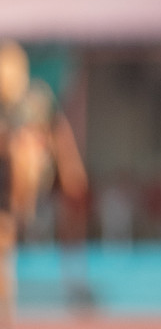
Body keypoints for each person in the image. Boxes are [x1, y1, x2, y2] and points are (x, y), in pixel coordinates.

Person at [0, 42, 86, 328]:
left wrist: (72, 171)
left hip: (32, 174)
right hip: (6, 179)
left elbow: (59, 133)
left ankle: (23, 212)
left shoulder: (36, 99)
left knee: (24, 149)